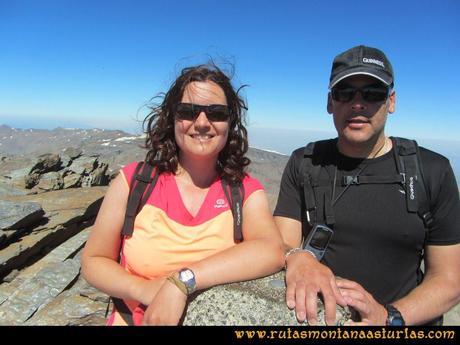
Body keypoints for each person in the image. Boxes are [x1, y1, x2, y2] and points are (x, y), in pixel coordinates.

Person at [81, 64, 285, 326]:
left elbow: (271, 250)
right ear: (171, 118)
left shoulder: (244, 191)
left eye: (217, 113)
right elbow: (93, 261)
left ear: (230, 123)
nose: (202, 123)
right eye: (188, 112)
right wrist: (142, 290)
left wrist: (182, 281)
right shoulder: (134, 182)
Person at [274, 45, 460, 326]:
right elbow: (281, 243)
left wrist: (389, 317)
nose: (358, 104)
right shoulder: (305, 162)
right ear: (330, 103)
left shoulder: (432, 171)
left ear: (392, 101)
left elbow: (449, 279)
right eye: (345, 93)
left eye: (373, 93)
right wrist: (298, 257)